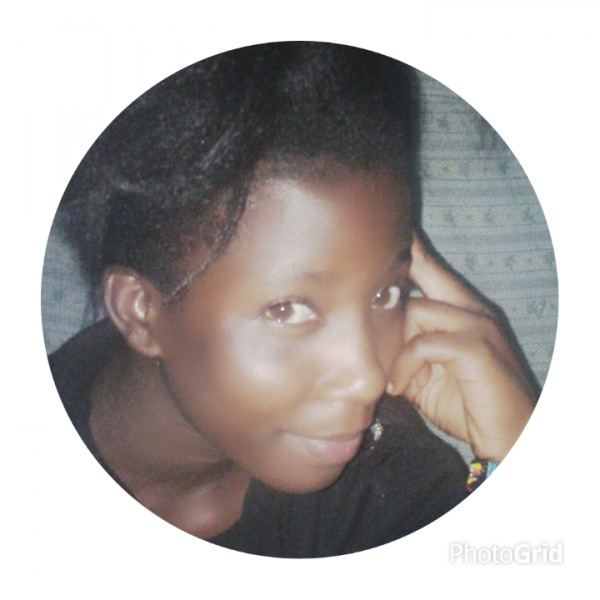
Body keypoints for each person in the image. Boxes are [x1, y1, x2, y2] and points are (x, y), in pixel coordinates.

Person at [47, 42, 537, 557]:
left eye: (385, 293)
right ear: (141, 312)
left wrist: (514, 451)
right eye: (288, 309)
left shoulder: (385, 481)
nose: (369, 378)